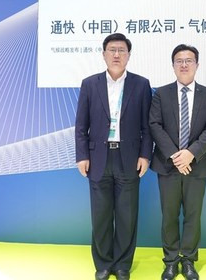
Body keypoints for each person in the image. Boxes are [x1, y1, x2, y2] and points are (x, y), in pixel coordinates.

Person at [75, 33, 153, 280]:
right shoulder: (90, 84)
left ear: (129, 55)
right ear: (104, 54)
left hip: (128, 157)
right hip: (98, 157)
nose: (116, 54)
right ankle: (103, 264)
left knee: (127, 215)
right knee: (101, 215)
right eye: (112, 50)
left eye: (121, 50)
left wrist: (145, 155)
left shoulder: (141, 85)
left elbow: (147, 126)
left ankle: (122, 265)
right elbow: (81, 125)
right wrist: (82, 155)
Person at [149, 44, 206, 280]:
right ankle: (170, 261)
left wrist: (190, 153)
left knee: (193, 215)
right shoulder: (161, 94)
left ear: (197, 65)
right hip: (168, 165)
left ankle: (188, 260)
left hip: (196, 165)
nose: (184, 65)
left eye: (189, 60)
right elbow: (154, 125)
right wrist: (176, 155)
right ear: (173, 65)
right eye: (179, 61)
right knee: (169, 215)